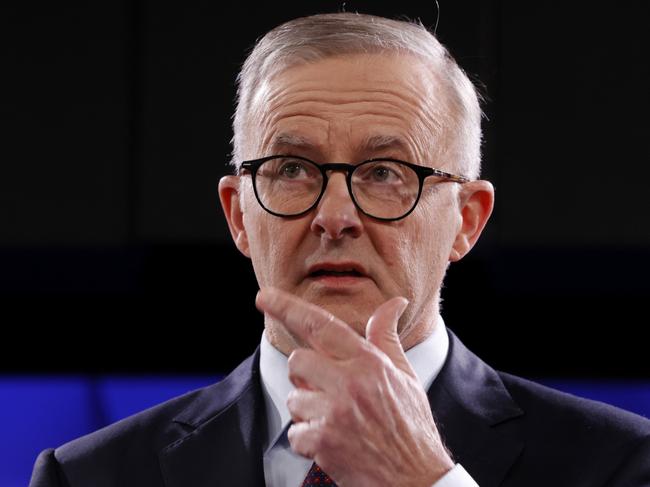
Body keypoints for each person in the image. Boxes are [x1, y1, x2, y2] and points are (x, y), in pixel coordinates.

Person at [30, 12, 650, 487]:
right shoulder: (87, 475)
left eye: (384, 173)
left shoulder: (622, 462)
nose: (333, 217)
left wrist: (426, 480)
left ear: (466, 220)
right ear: (237, 216)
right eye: (292, 168)